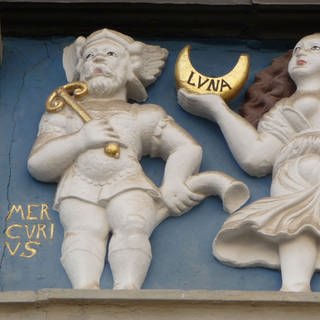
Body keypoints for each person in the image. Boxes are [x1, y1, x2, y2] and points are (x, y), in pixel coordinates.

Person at [28, 28, 248, 290]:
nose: (98, 60)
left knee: (132, 225)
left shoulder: (143, 115)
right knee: (84, 230)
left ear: (130, 67)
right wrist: (81, 140)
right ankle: (84, 290)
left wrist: (174, 183)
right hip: (80, 184)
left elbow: (186, 148)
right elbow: (38, 164)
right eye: (89, 56)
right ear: (79, 68)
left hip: (128, 182)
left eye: (110, 54)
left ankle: (128, 289)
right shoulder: (63, 113)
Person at [178, 33, 320, 292]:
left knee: (295, 225)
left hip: (308, 172)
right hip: (292, 178)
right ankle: (294, 291)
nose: (301, 53)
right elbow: (257, 158)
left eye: (314, 48)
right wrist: (218, 110)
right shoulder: (286, 107)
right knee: (293, 226)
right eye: (298, 48)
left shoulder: (301, 104)